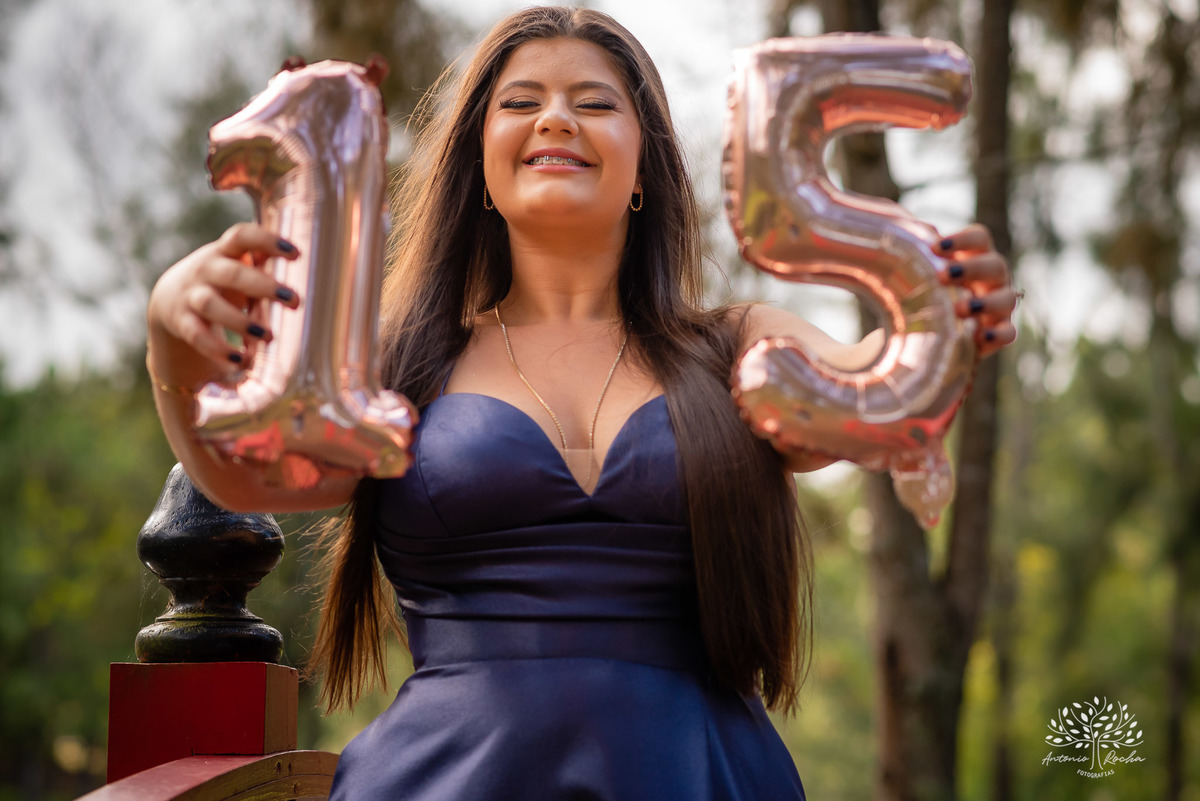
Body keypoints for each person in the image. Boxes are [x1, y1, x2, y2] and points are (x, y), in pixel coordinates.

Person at [145, 6, 1016, 800]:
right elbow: (249, 475)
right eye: (522, 101)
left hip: (703, 776)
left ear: (644, 165)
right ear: (480, 164)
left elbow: (872, 376)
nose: (556, 117)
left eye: (595, 104)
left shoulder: (738, 344)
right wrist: (173, 339)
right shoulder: (397, 356)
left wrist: (945, 315)